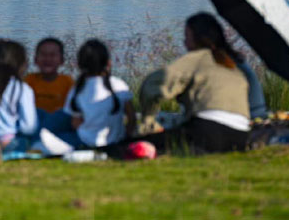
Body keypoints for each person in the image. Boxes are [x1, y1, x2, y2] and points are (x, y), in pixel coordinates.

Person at [136, 13, 252, 154]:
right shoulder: (231, 64)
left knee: (135, 145)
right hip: (240, 136)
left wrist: (148, 120)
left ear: (198, 38)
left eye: (187, 37)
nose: (184, 43)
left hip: (208, 131)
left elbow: (155, 84)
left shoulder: (199, 58)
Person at [42, 39, 135, 152]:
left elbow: (75, 123)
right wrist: (126, 136)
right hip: (115, 140)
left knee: (53, 130)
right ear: (108, 63)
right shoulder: (119, 84)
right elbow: (132, 118)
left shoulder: (78, 88)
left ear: (79, 65)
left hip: (85, 141)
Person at [25, 37, 74, 114]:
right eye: (43, 55)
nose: (48, 59)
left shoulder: (68, 82)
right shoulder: (28, 81)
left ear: (62, 60)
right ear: (35, 59)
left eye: (52, 55)